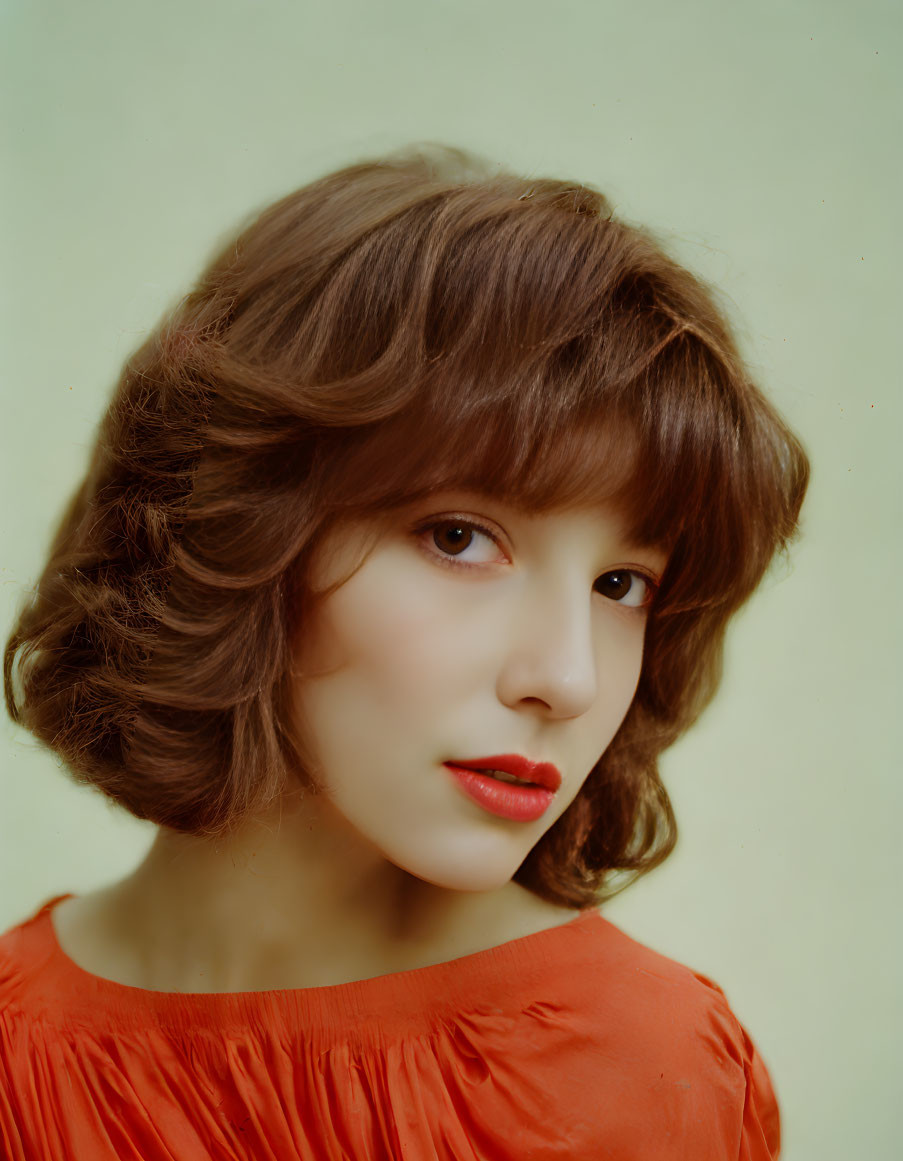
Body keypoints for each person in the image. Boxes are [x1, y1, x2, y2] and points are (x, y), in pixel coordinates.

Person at [0, 144, 807, 1160]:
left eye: (621, 586)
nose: (567, 678)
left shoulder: (643, 1073)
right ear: (234, 533)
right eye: (461, 538)